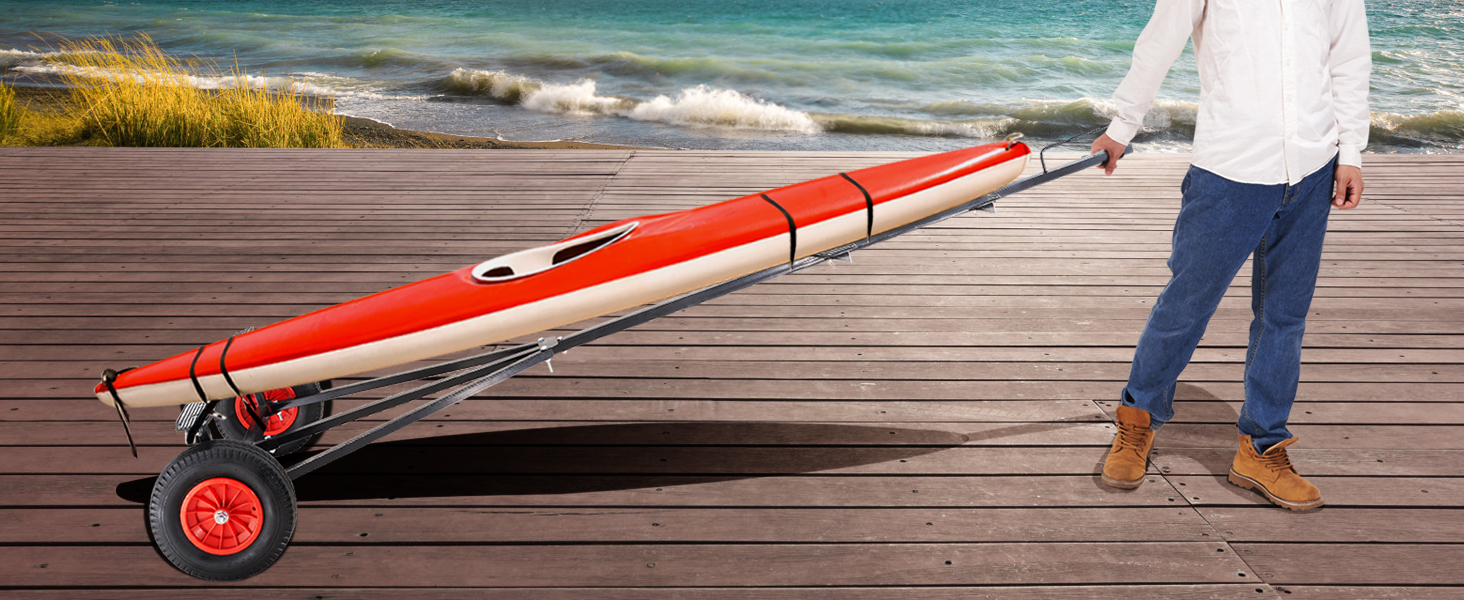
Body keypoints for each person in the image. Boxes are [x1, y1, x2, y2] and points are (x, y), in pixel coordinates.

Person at [1090, 0, 1370, 510]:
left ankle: (1261, 448)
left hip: (1313, 166)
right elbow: (1159, 43)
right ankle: (1137, 421)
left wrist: (1350, 153)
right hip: (1229, 169)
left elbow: (1348, 57)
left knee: (1284, 317)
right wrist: (1122, 127)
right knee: (1186, 305)